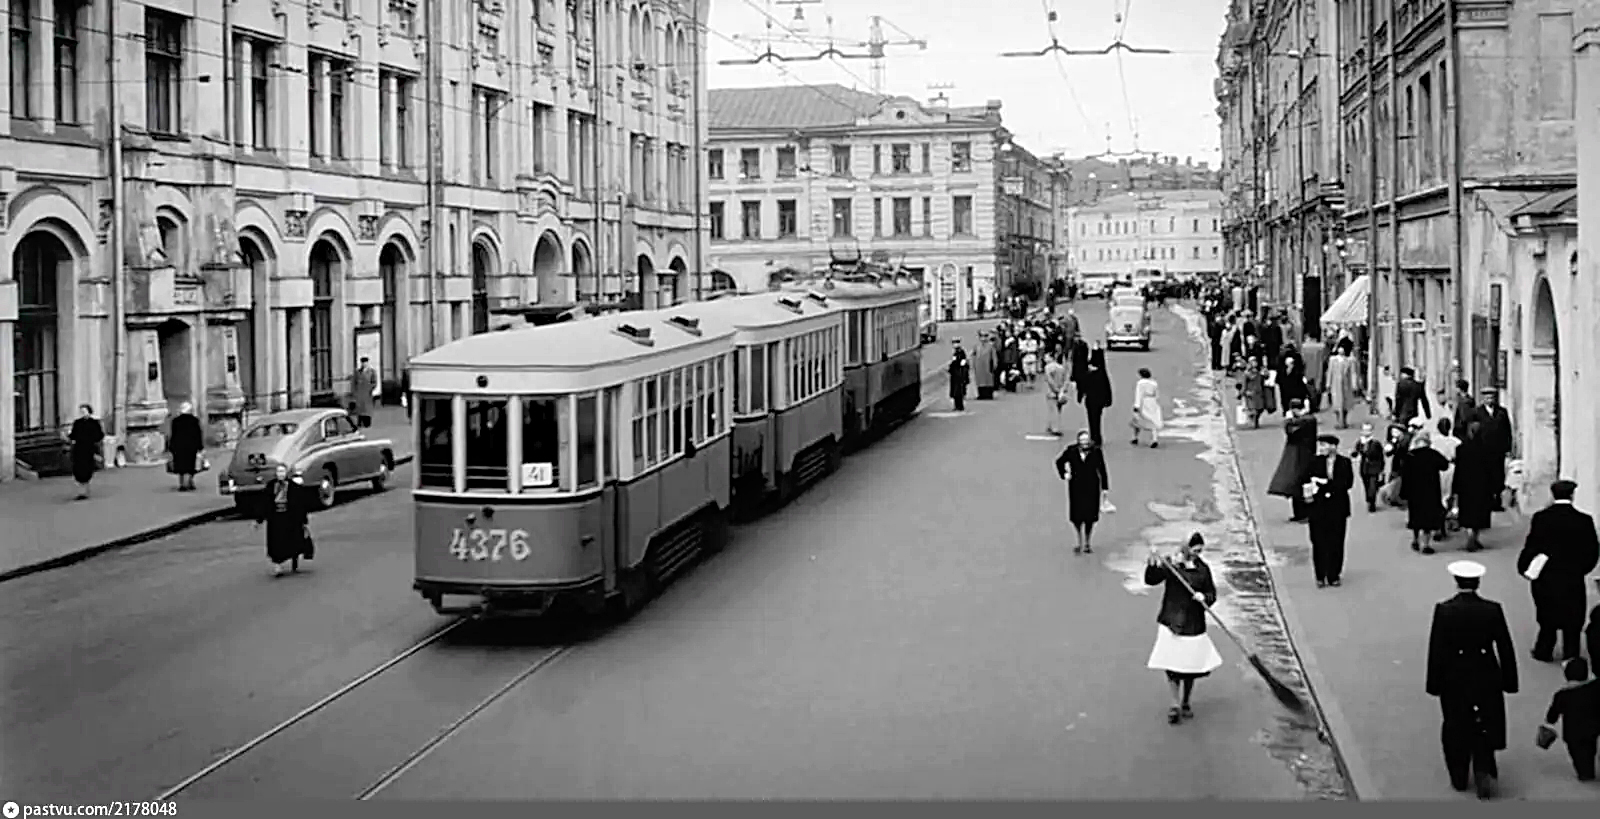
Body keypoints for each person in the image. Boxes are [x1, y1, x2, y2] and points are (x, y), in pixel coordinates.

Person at [1426, 560, 1518, 799]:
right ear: (1478, 583)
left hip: (1454, 673)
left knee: (1455, 721)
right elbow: (1505, 646)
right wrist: (1510, 680)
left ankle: (1458, 772)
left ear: (1456, 582)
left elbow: (1437, 648)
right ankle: (1484, 764)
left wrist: (1434, 683)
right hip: (1485, 669)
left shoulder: (1445, 610)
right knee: (1486, 719)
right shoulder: (1493, 609)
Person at [1517, 480, 1600, 663]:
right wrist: (1581, 569)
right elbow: (1593, 550)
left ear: (1553, 495)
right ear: (1572, 495)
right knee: (1573, 614)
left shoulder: (1541, 518)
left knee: (1547, 613)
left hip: (1546, 575)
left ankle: (1544, 649)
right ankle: (1571, 653)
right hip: (1572, 576)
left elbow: (1532, 545)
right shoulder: (1584, 520)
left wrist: (1525, 567)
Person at [1144, 533, 1223, 725]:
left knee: (1190, 668)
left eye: (1200, 551)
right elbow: (1152, 579)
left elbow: (1212, 593)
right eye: (1195, 550)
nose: (1197, 554)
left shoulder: (1203, 569)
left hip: (1193, 624)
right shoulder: (1172, 565)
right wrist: (1153, 563)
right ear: (1186, 548)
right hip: (1172, 621)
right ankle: (1174, 703)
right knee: (1172, 666)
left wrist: (1204, 598)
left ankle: (1186, 700)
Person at [1303, 433, 1354, 588]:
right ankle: (1320, 574)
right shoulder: (1314, 462)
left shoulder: (1344, 462)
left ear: (1333, 446)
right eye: (1321, 446)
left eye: (1325, 445)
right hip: (1318, 508)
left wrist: (1326, 484)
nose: (1322, 449)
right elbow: (1306, 480)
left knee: (1336, 542)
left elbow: (1347, 483)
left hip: (1337, 507)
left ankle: (1334, 574)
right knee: (1318, 541)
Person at [1541, 657, 1600, 782]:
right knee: (1590, 749)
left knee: (1577, 753)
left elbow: (1553, 712)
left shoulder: (1563, 695)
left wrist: (1549, 722)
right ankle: (1589, 767)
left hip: (1573, 732)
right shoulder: (1595, 688)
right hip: (1593, 728)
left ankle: (1584, 772)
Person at [255, 463, 317, 576]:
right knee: (275, 543)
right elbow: (264, 504)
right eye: (278, 472)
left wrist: (303, 520)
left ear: (286, 473)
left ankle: (295, 560)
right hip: (275, 518)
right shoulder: (270, 486)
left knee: (293, 540)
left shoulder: (294, 487)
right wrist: (259, 520)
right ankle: (277, 565)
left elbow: (301, 505)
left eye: (283, 471)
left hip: (290, 517)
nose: (280, 474)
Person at [1055, 429, 1110, 554]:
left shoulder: (1096, 451)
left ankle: (1087, 542)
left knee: (1090, 516)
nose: (1085, 443)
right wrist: (1064, 474)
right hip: (1076, 486)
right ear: (1078, 441)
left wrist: (1105, 488)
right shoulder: (1071, 450)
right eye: (1082, 441)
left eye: (1087, 440)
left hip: (1092, 486)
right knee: (1077, 516)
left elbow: (1102, 470)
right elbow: (1059, 461)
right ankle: (1079, 540)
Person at [1268, 399, 1318, 522]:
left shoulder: (1308, 420)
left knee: (1302, 484)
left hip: (1304, 456)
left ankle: (1305, 513)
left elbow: (1292, 430)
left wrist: (1289, 420)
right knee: (1296, 485)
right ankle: (1299, 513)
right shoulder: (1306, 419)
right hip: (1299, 455)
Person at [1401, 431, 1450, 554]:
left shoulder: (1410, 456)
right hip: (1430, 491)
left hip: (1414, 491)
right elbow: (1445, 465)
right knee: (1427, 518)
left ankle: (1415, 539)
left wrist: (1404, 493)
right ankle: (1426, 544)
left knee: (1416, 516)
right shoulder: (1433, 454)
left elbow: (1405, 475)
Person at [1452, 422, 1494, 552]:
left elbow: (1458, 469)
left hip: (1466, 484)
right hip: (1482, 485)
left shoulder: (1462, 448)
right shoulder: (1486, 448)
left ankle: (1470, 535)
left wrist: (1455, 487)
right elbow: (1491, 469)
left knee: (1467, 511)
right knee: (1479, 512)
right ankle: (1474, 537)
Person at [1472, 388, 1514, 511]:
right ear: (1483, 399)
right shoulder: (1477, 412)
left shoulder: (1502, 412)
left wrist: (1508, 447)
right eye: (1487, 398)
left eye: (1492, 397)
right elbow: (1473, 431)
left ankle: (1497, 501)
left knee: (1498, 476)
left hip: (1498, 450)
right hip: (1483, 450)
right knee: (1485, 476)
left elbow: (1507, 431)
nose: (1490, 400)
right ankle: (1487, 501)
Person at [66, 404, 105, 500]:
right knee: (78, 470)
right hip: (78, 449)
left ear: (89, 412)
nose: (82, 413)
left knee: (87, 469)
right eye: (81, 411)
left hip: (89, 449)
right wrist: (68, 436)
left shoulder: (94, 423)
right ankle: (81, 490)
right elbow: (73, 435)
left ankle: (85, 490)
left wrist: (94, 442)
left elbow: (99, 435)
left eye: (84, 411)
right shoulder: (77, 423)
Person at [1078, 346, 1113, 446]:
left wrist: (1080, 396)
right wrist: (1108, 400)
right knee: (1097, 418)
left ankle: (1094, 436)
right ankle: (1097, 436)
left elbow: (1083, 386)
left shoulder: (1088, 374)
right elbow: (1107, 387)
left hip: (1091, 400)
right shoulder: (1102, 373)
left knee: (1092, 419)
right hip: (1100, 400)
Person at [166, 402, 204, 492]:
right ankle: (187, 483)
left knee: (181, 465)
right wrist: (200, 446)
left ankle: (184, 483)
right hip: (191, 446)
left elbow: (173, 434)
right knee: (190, 465)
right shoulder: (194, 421)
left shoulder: (176, 421)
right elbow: (198, 434)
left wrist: (170, 447)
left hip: (178, 446)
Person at [1325, 340, 1359, 429]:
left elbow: (1353, 373)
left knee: (1345, 404)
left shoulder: (1350, 360)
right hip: (1335, 385)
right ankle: (1338, 421)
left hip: (1346, 385)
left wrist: (1354, 385)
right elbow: (1330, 372)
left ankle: (1344, 420)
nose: (1341, 349)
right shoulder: (1333, 359)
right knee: (1336, 403)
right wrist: (1328, 384)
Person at [1354, 422, 1387, 513]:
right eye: (1364, 430)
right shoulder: (1360, 442)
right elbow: (1355, 453)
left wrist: (1381, 469)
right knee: (1366, 485)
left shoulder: (1376, 443)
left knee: (1373, 486)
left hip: (1374, 467)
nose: (1366, 432)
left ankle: (1372, 501)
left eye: (1368, 430)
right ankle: (1369, 499)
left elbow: (1379, 456)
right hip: (1364, 468)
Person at [1130, 367, 1163, 448]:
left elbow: (1138, 394)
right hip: (1152, 402)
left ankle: (1135, 437)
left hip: (1143, 402)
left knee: (1137, 421)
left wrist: (1136, 406)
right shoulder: (1154, 383)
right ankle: (1154, 439)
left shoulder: (1140, 383)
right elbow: (1157, 395)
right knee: (1153, 420)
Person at [1042, 352, 1070, 436]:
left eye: (1046, 357)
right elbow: (1066, 379)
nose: (1045, 359)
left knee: (1052, 409)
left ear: (1051, 358)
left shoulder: (1048, 367)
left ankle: (1055, 427)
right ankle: (1050, 425)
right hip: (1061, 391)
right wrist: (1063, 390)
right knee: (1058, 409)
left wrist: (1056, 390)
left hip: (1052, 391)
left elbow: (1050, 380)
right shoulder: (1061, 367)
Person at [1237, 356, 1268, 429]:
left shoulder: (1260, 371)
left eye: (1255, 361)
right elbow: (1244, 383)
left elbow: (1266, 378)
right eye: (1252, 361)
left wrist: (1265, 372)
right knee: (1253, 408)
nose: (1254, 363)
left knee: (1260, 408)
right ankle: (1254, 422)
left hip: (1259, 392)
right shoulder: (1247, 373)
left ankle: (1255, 420)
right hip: (1250, 393)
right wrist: (1242, 393)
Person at [350, 356, 379, 428]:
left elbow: (374, 382)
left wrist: (371, 388)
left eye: (366, 363)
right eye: (363, 363)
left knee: (367, 409)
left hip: (367, 393)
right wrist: (354, 392)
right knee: (359, 409)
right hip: (359, 393)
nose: (364, 364)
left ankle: (367, 423)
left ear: (368, 363)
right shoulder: (357, 372)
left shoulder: (372, 372)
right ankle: (360, 422)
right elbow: (354, 382)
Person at [973, 333, 998, 400]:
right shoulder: (977, 346)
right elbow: (974, 356)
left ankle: (989, 395)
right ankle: (981, 395)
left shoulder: (990, 346)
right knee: (980, 382)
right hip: (979, 367)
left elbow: (994, 356)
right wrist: (973, 365)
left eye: (985, 337)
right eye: (982, 337)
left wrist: (995, 364)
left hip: (988, 366)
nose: (983, 339)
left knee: (988, 381)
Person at [947, 341, 970, 412]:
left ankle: (959, 406)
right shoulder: (956, 352)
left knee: (959, 391)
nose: (954, 345)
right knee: (956, 391)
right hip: (955, 374)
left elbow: (962, 363)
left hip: (959, 375)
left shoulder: (961, 353)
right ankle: (957, 405)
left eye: (955, 343)